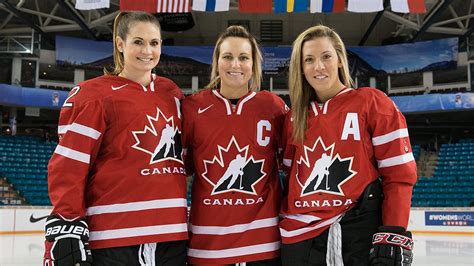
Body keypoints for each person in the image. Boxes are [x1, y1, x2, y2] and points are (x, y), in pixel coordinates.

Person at [43, 12, 188, 266]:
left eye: (154, 43)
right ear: (120, 44)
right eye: (138, 42)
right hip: (115, 236)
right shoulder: (94, 95)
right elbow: (69, 166)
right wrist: (66, 222)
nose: (147, 50)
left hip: (171, 235)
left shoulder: (171, 93)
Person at [279, 25, 417, 266]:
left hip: (353, 238)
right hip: (297, 241)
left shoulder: (372, 103)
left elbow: (399, 175)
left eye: (326, 57)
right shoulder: (293, 118)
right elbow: (291, 176)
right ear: (300, 68)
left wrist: (393, 230)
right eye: (308, 60)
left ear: (340, 60)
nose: (318, 67)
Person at [182, 25, 288, 265]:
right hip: (207, 246)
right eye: (227, 57)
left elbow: (291, 164)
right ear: (217, 62)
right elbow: (181, 169)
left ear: (253, 64)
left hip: (263, 245)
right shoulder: (192, 108)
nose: (235, 65)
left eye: (243, 58)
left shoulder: (274, 107)